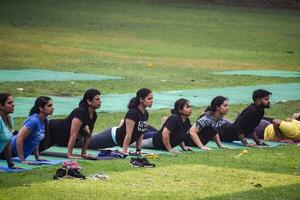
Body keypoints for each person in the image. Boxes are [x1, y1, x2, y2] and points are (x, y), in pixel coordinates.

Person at [88, 88, 153, 154]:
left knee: (88, 142)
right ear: (141, 99)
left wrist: (138, 150)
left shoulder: (145, 113)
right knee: (83, 143)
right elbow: (128, 134)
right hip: (112, 137)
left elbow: (140, 133)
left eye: (152, 98)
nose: (152, 101)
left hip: (117, 141)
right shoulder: (133, 113)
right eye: (149, 99)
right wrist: (124, 151)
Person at [41, 89, 101, 159]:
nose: (100, 101)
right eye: (97, 99)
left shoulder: (94, 115)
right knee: (32, 149)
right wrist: (70, 154)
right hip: (51, 130)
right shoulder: (80, 112)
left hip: (60, 137)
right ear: (89, 101)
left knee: (36, 149)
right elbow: (73, 134)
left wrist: (83, 153)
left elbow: (88, 135)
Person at [11, 96, 53, 163]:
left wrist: (37, 157)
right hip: (7, 150)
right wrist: (22, 159)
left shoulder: (45, 121)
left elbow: (37, 138)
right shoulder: (34, 121)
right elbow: (19, 138)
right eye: (49, 106)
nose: (52, 108)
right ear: (41, 108)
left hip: (14, 153)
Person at [0, 93, 21, 168]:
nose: (13, 105)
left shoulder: (10, 119)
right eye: (9, 103)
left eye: (13, 102)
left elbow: (7, 143)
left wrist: (11, 164)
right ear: (1, 106)